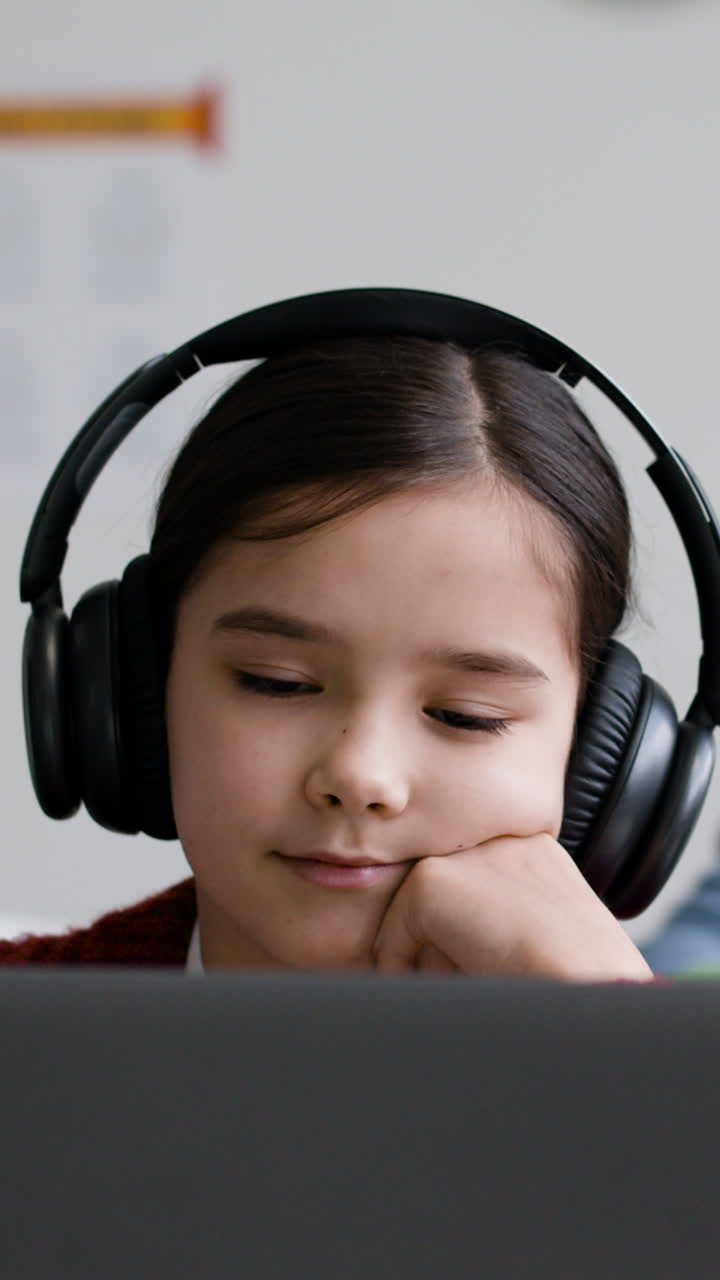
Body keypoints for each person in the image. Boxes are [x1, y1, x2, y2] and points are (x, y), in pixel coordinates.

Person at [1, 334, 654, 980]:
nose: (361, 777)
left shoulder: (640, 1047)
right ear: (132, 690)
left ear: (596, 752)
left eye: (466, 715)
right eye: (277, 683)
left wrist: (615, 1027)